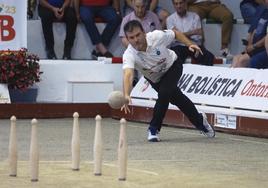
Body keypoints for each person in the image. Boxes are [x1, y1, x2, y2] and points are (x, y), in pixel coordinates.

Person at [121, 20, 215, 142]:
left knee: (164, 93)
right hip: (155, 79)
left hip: (173, 66)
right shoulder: (129, 54)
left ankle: (154, 128)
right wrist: (127, 94)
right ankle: (200, 121)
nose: (136, 40)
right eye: (131, 37)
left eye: (138, 35)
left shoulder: (156, 36)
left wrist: (189, 44)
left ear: (144, 32)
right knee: (179, 99)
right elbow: (128, 74)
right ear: (128, 39)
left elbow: (175, 33)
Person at [167, 0, 215, 66]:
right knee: (176, 57)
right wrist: (192, 32)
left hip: (194, 45)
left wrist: (180, 35)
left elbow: (198, 37)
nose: (179, 6)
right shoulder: (170, 19)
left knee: (209, 56)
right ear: (174, 5)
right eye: (176, 4)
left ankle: (203, 75)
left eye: (181, 3)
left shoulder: (195, 17)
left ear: (185, 3)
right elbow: (174, 36)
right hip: (178, 46)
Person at [232, 0, 268, 69]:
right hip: (256, 47)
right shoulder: (262, 9)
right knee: (236, 58)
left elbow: (266, 39)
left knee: (242, 61)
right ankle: (232, 77)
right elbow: (254, 30)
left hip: (262, 48)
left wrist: (253, 46)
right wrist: (249, 45)